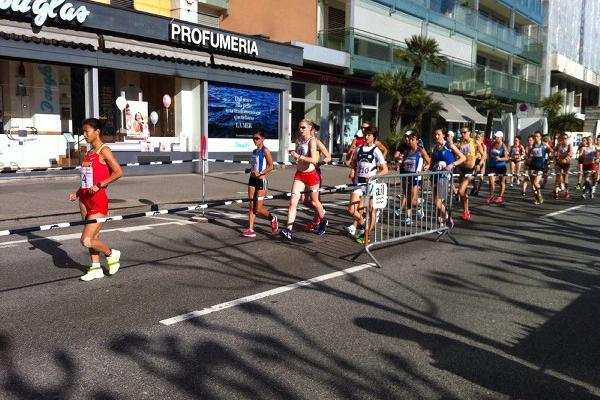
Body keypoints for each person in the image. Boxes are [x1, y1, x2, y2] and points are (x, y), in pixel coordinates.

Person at [68, 118, 123, 281]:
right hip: (84, 201)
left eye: (87, 131)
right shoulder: (88, 153)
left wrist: (100, 185)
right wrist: (77, 193)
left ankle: (111, 254)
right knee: (94, 238)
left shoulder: (103, 151)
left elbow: (118, 172)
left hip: (98, 202)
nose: (84, 134)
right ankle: (96, 268)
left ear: (97, 132)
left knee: (86, 240)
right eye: (83, 131)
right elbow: (86, 180)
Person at [280, 119, 328, 240]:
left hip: (312, 174)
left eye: (303, 127)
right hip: (300, 174)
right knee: (293, 202)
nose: (300, 129)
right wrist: (296, 157)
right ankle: (288, 230)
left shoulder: (313, 141)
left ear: (310, 128)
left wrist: (299, 156)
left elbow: (314, 160)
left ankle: (323, 219)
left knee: (315, 202)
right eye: (299, 127)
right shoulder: (300, 140)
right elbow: (300, 157)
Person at [347, 126, 388, 243]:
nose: (366, 137)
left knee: (371, 210)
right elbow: (354, 163)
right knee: (351, 210)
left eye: (369, 135)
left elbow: (385, 170)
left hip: (371, 184)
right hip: (359, 183)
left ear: (374, 137)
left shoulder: (376, 150)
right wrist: (353, 170)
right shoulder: (359, 148)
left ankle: (367, 235)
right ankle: (363, 223)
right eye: (365, 134)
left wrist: (374, 176)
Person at [242, 131, 278, 237]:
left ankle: (272, 218)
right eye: (253, 138)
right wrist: (249, 170)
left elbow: (271, 166)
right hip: (252, 180)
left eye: (257, 138)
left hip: (262, 180)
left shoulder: (265, 150)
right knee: (252, 205)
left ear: (263, 139)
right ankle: (250, 229)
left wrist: (261, 173)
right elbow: (255, 166)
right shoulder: (254, 151)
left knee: (258, 208)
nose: (254, 140)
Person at [430, 128, 465, 228]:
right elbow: (432, 162)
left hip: (445, 177)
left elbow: (463, 158)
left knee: (438, 202)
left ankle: (448, 217)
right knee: (436, 202)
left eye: (438, 134)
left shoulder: (449, 145)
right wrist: (427, 168)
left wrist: (452, 164)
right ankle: (440, 223)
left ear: (443, 135)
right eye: (435, 134)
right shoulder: (435, 148)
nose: (436, 136)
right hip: (435, 176)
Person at [302, 125, 332, 232]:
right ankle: (320, 212)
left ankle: (317, 221)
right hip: (304, 173)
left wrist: (320, 162)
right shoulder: (304, 141)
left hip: (315, 173)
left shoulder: (317, 142)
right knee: (304, 200)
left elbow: (328, 156)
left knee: (315, 200)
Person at [397, 131, 430, 226]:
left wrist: (426, 168)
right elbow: (403, 163)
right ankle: (408, 217)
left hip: (415, 177)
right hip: (406, 175)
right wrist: (401, 162)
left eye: (413, 139)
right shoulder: (407, 151)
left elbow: (429, 161)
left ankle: (419, 207)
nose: (410, 141)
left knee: (412, 199)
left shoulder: (420, 150)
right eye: (410, 139)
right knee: (407, 196)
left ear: (417, 141)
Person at [456, 127, 484, 220]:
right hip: (461, 169)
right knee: (464, 192)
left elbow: (484, 155)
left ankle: (466, 211)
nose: (463, 134)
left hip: (470, 170)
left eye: (464, 132)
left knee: (460, 191)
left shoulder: (475, 142)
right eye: (461, 132)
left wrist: (479, 164)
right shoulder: (461, 143)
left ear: (469, 133)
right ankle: (466, 211)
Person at [528, 131, 554, 204]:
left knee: (536, 183)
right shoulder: (532, 145)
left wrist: (549, 157)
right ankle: (537, 199)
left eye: (537, 136)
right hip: (532, 165)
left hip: (540, 166)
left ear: (540, 137)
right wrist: (528, 157)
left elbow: (552, 151)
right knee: (532, 185)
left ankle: (539, 194)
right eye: (534, 136)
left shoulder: (544, 144)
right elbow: (529, 154)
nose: (536, 138)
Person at [486, 131, 510, 205]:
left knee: (501, 182)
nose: (496, 138)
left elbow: (507, 158)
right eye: (495, 136)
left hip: (501, 166)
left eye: (497, 137)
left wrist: (500, 159)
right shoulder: (492, 144)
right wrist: (488, 164)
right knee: (491, 181)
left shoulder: (504, 146)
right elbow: (489, 154)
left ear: (501, 137)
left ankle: (500, 196)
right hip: (493, 166)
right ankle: (491, 195)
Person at [553, 132, 572, 199]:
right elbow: (554, 151)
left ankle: (567, 191)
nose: (564, 139)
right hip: (559, 163)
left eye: (565, 138)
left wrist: (566, 159)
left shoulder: (569, 145)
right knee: (558, 177)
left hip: (566, 164)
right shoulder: (559, 144)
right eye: (562, 138)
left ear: (567, 139)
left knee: (565, 180)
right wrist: (555, 155)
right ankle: (556, 193)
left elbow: (571, 153)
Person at [470, 132, 487, 197]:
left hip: (481, 162)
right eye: (476, 137)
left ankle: (477, 191)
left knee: (481, 177)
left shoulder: (483, 146)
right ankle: (475, 187)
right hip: (475, 161)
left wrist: (480, 160)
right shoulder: (474, 144)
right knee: (471, 176)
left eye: (478, 137)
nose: (477, 138)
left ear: (482, 138)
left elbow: (484, 156)